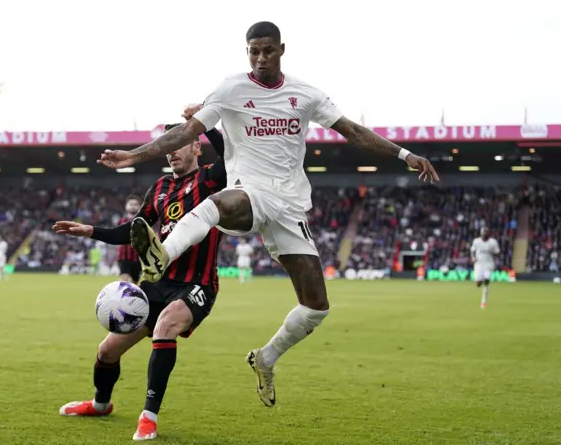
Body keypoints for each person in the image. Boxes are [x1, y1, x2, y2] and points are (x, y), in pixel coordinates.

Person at [97, 21, 440, 408]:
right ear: (247, 52)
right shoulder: (229, 89)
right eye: (253, 51)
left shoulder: (305, 94)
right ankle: (163, 253)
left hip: (290, 205)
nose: (260, 58)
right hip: (249, 191)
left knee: (316, 307)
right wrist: (135, 154)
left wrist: (405, 155)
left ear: (281, 49)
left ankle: (266, 358)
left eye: (267, 50)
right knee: (221, 203)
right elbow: (186, 131)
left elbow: (353, 131)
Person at [56, 122, 226, 441]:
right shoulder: (160, 187)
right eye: (167, 144)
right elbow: (131, 230)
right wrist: (90, 230)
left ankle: (148, 417)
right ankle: (100, 403)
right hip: (158, 282)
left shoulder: (211, 178)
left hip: (197, 283)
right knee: (107, 351)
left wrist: (208, 122)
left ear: (196, 147)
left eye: (180, 142)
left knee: (165, 328)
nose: (172, 150)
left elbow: (233, 156)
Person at [470, 227, 500, 309]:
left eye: (486, 234)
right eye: (483, 234)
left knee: (486, 281)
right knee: (478, 284)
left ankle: (483, 302)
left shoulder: (493, 242)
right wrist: (473, 257)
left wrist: (494, 255)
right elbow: (472, 250)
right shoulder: (476, 241)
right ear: (481, 234)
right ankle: (480, 281)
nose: (484, 236)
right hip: (479, 264)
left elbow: (497, 252)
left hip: (489, 264)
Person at [118, 195, 143, 282]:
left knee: (134, 284)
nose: (133, 206)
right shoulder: (122, 221)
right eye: (131, 204)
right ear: (126, 206)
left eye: (135, 204)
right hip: (125, 258)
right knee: (124, 280)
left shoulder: (143, 221)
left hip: (138, 258)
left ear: (140, 206)